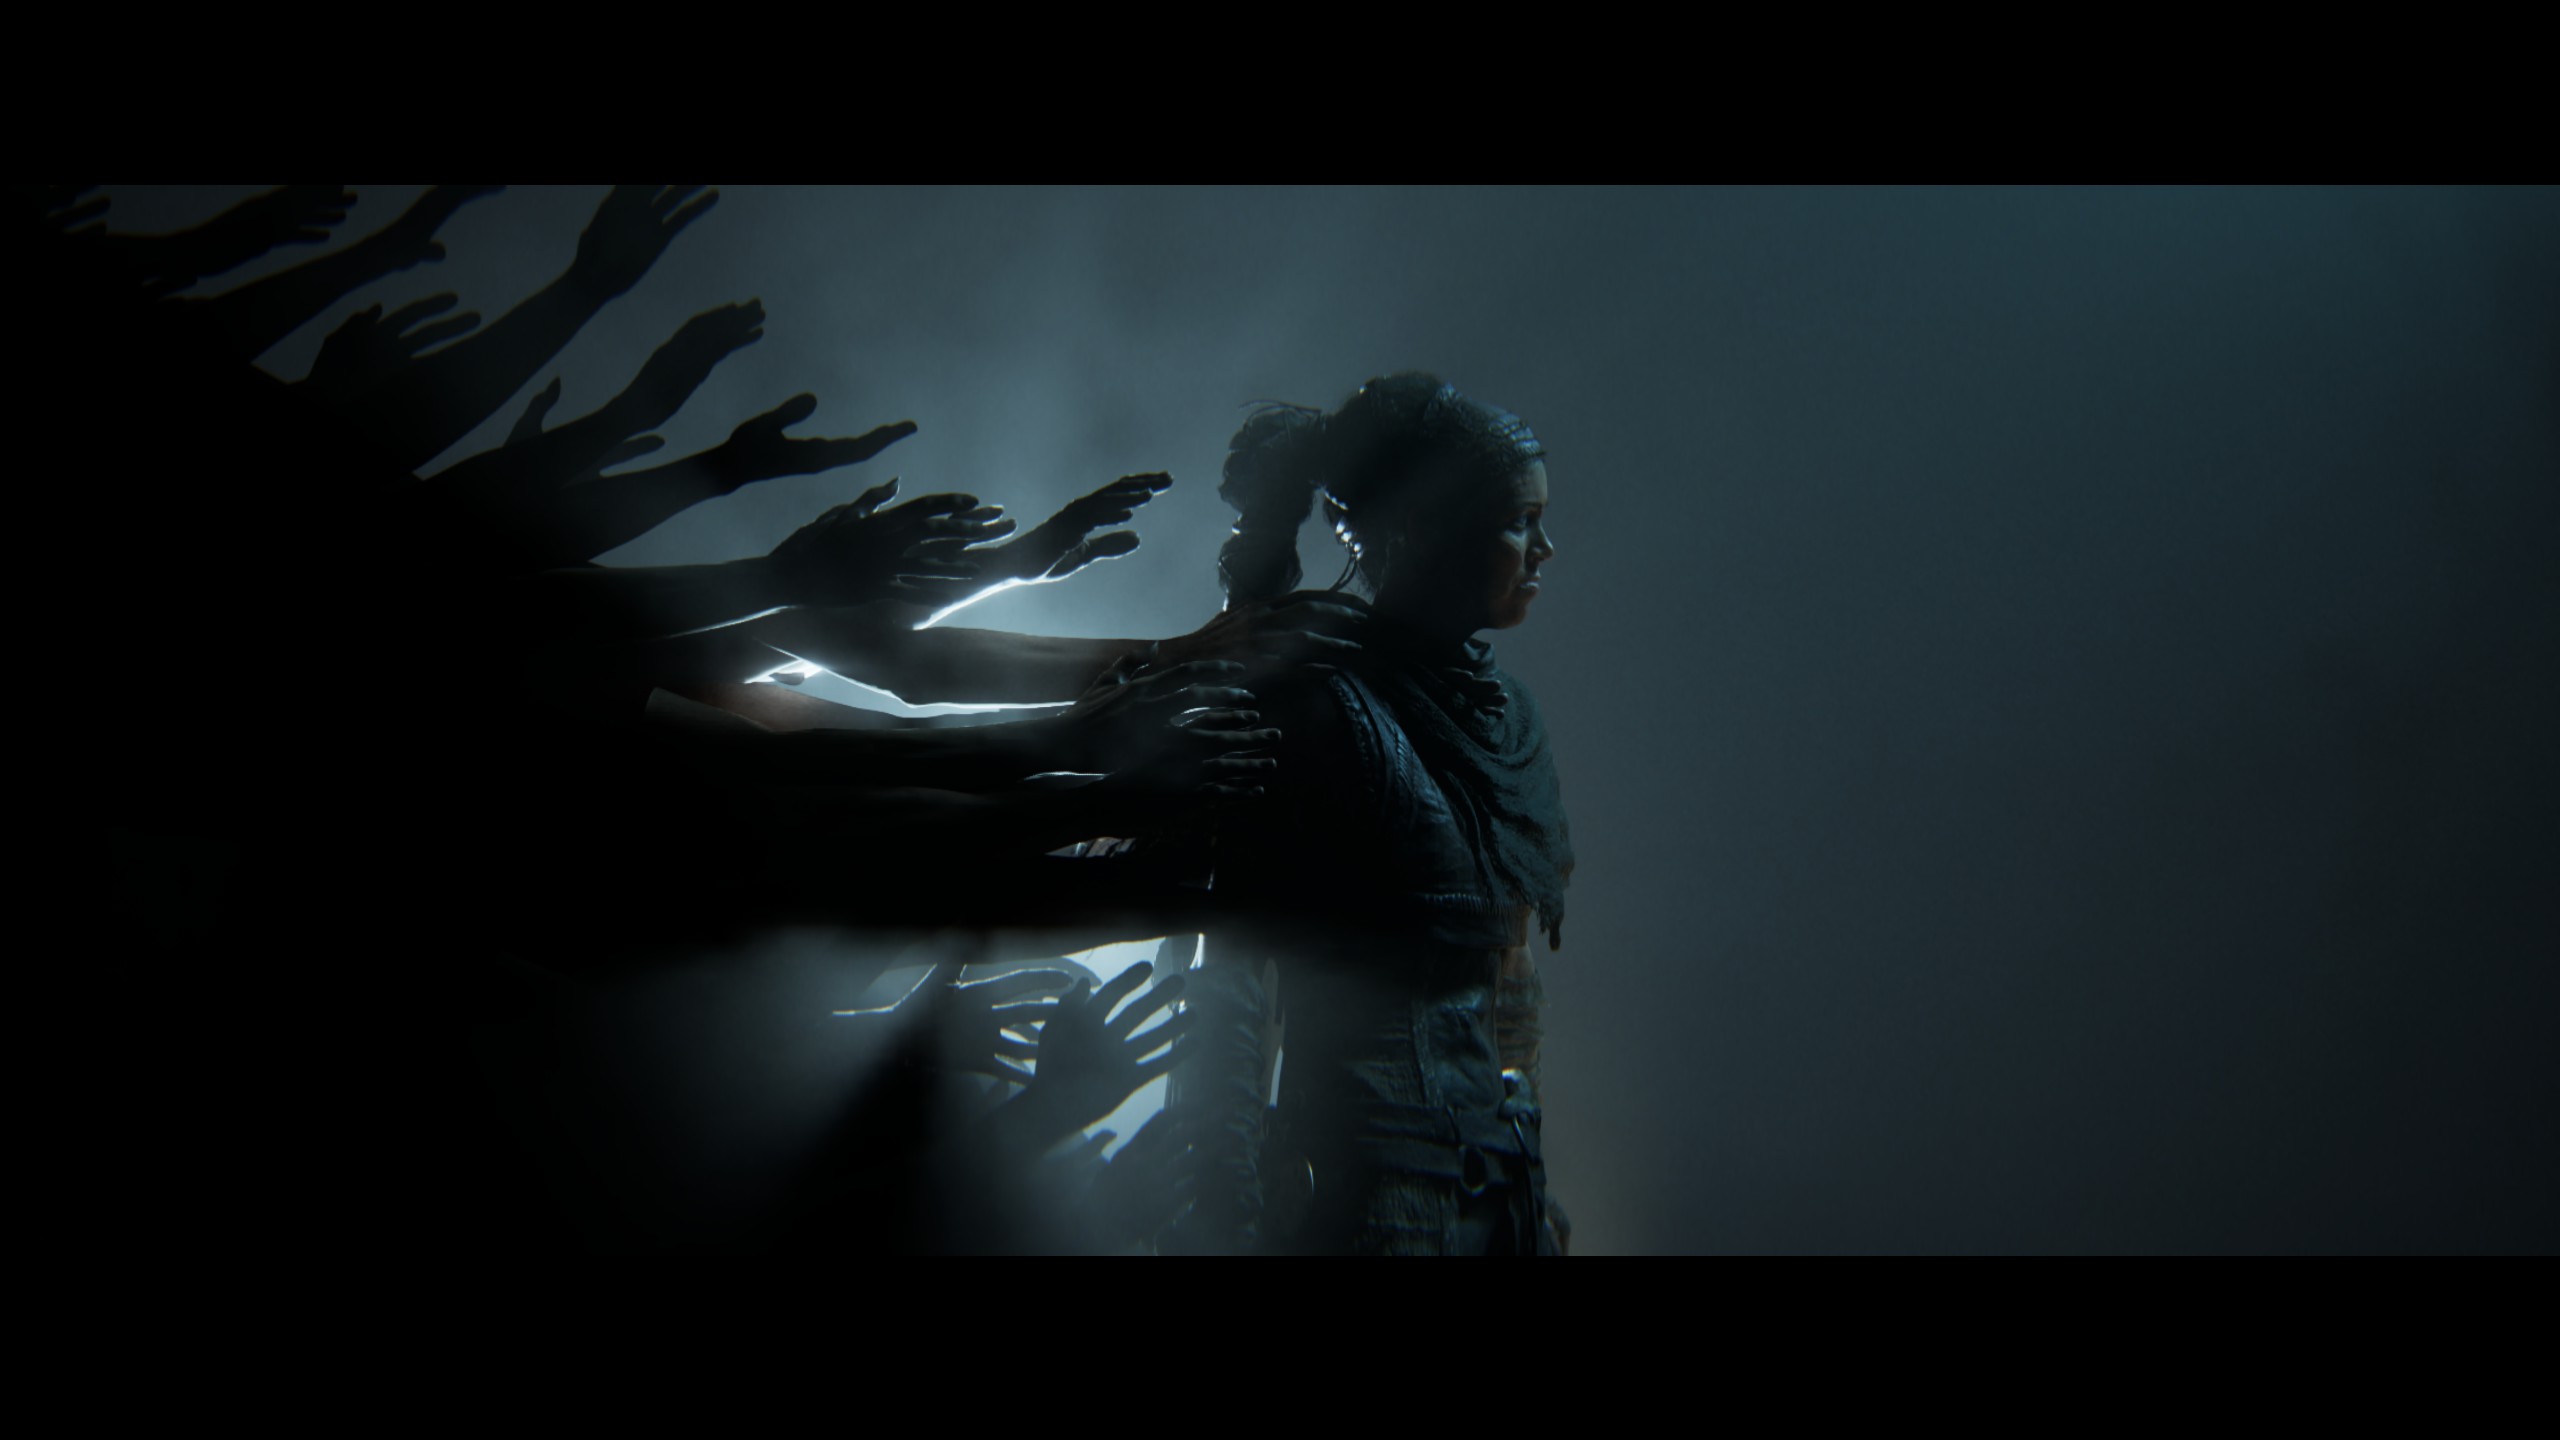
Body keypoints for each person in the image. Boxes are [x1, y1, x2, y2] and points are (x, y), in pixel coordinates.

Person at [1165, 371, 1575, 1255]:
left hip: (1498, 1199)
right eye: (1519, 522)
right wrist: (1221, 1211)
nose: (1544, 550)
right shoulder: (1320, 709)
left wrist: (1531, 1182)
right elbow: (1231, 977)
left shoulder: (1509, 720)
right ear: (1428, 530)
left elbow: (1507, 980)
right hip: (1365, 1201)